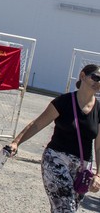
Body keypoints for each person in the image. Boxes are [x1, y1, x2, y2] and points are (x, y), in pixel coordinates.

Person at [9, 64, 100, 212]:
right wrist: (16, 142)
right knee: (66, 208)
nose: (99, 82)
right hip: (56, 159)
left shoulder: (99, 110)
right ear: (83, 76)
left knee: (67, 207)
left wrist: (98, 174)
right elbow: (37, 124)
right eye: (96, 77)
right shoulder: (63, 102)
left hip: (82, 168)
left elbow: (98, 146)